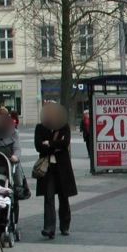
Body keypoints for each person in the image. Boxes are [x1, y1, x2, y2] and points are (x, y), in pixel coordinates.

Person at [35, 102, 78, 238]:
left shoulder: (64, 127)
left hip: (62, 167)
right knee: (48, 197)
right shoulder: (40, 128)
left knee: (63, 197)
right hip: (48, 168)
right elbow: (38, 146)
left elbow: (65, 144)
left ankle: (65, 225)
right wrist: (55, 146)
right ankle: (49, 228)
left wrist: (49, 143)